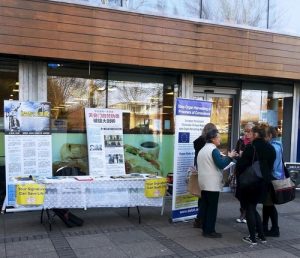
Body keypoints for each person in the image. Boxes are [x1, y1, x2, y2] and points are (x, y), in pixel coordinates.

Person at [236, 123, 276, 245]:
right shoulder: (271, 148)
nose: (249, 135)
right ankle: (261, 236)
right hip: (263, 183)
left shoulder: (251, 147)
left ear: (256, 134)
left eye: (250, 133)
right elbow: (270, 167)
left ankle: (252, 238)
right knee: (253, 208)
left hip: (250, 183)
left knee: (249, 209)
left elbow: (241, 165)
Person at [197, 129, 237, 238]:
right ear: (213, 139)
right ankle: (210, 231)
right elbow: (221, 164)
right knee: (212, 208)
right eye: (218, 137)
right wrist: (230, 157)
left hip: (204, 182)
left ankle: (205, 229)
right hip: (212, 184)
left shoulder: (203, 149)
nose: (220, 139)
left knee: (205, 206)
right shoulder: (213, 150)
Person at [193, 122, 217, 228]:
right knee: (207, 198)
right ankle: (202, 219)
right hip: (208, 171)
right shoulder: (208, 145)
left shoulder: (198, 142)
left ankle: (199, 219)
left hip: (200, 169)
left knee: (202, 196)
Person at [262, 126, 284, 237]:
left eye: (265, 135)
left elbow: (273, 165)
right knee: (267, 204)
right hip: (275, 177)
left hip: (272, 179)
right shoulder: (278, 145)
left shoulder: (273, 147)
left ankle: (275, 229)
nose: (264, 138)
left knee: (269, 204)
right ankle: (264, 227)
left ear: (270, 135)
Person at [234, 122, 254, 224]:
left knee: (249, 193)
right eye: (245, 131)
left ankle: (246, 213)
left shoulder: (254, 143)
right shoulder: (241, 141)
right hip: (241, 170)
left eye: (248, 131)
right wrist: (237, 155)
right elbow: (236, 153)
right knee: (240, 192)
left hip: (250, 172)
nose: (246, 133)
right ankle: (243, 211)